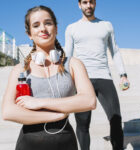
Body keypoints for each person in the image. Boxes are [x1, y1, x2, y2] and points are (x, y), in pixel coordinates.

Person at [1, 5, 96, 150]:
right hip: (28, 144)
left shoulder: (73, 64)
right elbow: (8, 111)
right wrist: (55, 116)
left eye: (48, 23)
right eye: (36, 25)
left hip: (66, 142)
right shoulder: (20, 69)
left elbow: (89, 100)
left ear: (56, 29)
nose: (43, 29)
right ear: (29, 34)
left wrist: (39, 103)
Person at [65, 0, 130, 150]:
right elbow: (68, 55)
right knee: (83, 123)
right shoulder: (72, 28)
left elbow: (115, 51)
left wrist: (123, 74)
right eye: (85, 2)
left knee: (115, 119)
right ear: (79, 4)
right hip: (82, 80)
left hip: (104, 77)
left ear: (95, 4)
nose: (89, 6)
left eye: (92, 2)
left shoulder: (106, 25)